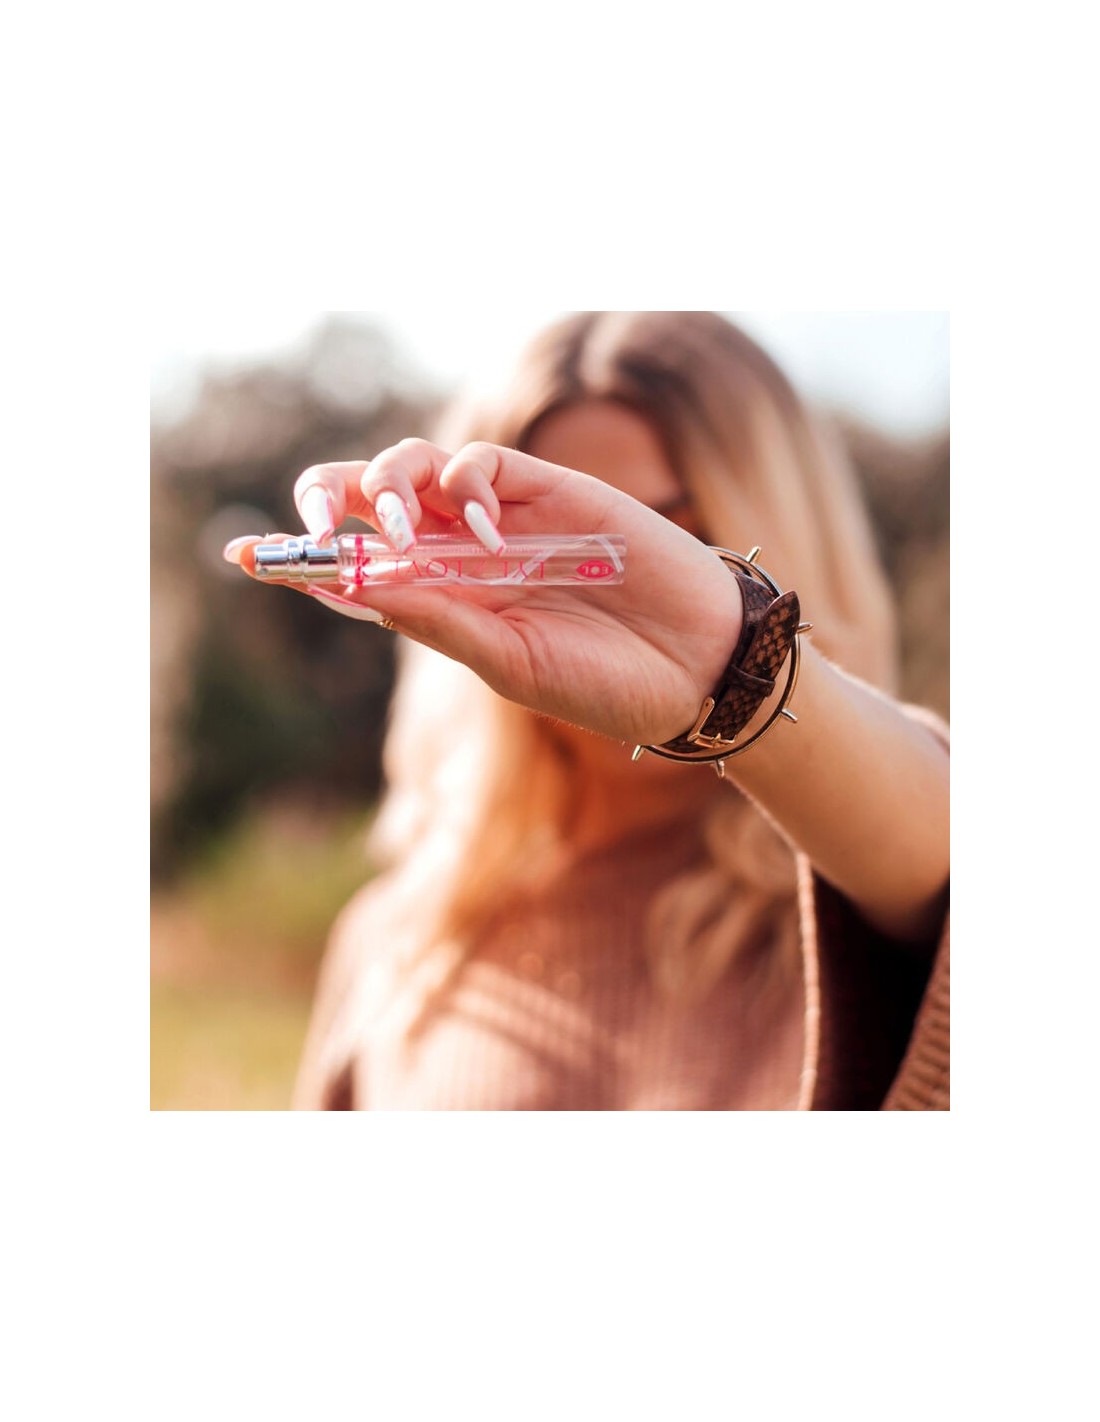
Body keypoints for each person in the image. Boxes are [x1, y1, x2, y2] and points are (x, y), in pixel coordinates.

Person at [223, 311, 949, 1110]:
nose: (605, 591)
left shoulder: (873, 898)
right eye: (533, 541)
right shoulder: (395, 944)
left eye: (677, 534)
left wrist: (736, 663)